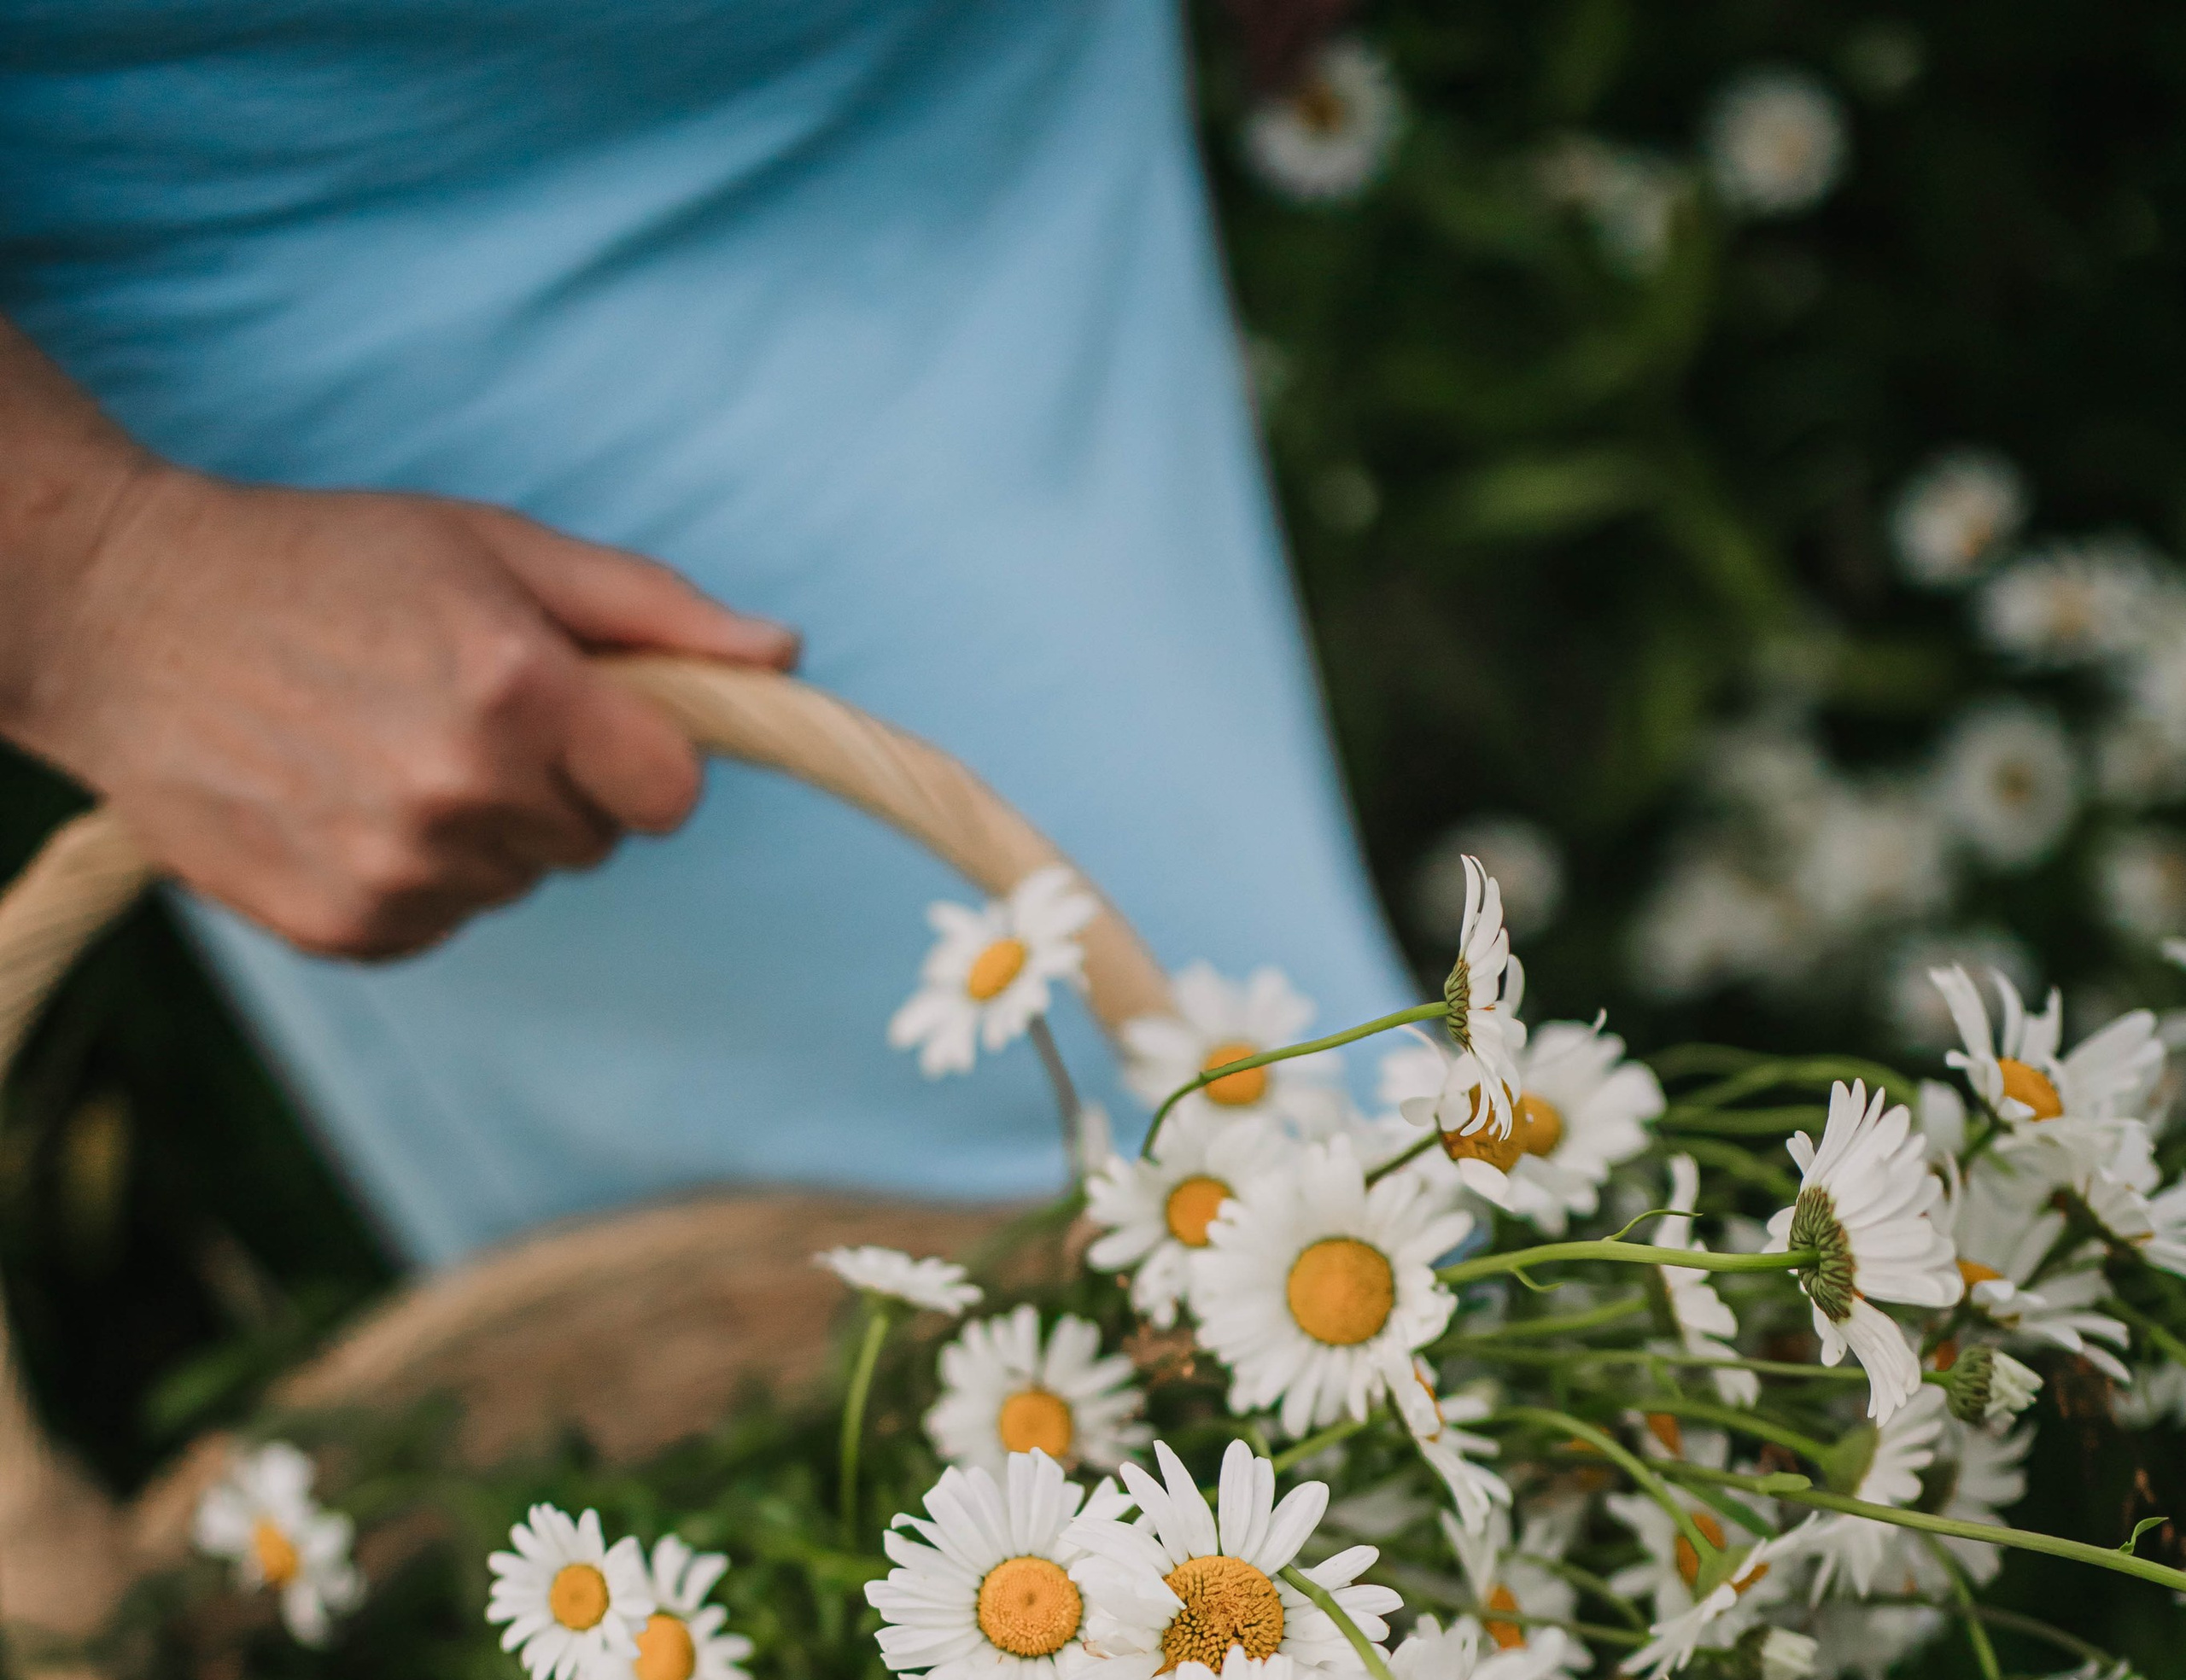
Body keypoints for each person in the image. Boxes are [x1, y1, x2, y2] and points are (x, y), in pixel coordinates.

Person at [0, 0, 1405, 1262]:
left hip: (998, 84)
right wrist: (100, 582)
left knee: (1288, 1118)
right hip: (380, 225)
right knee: (1180, 1212)